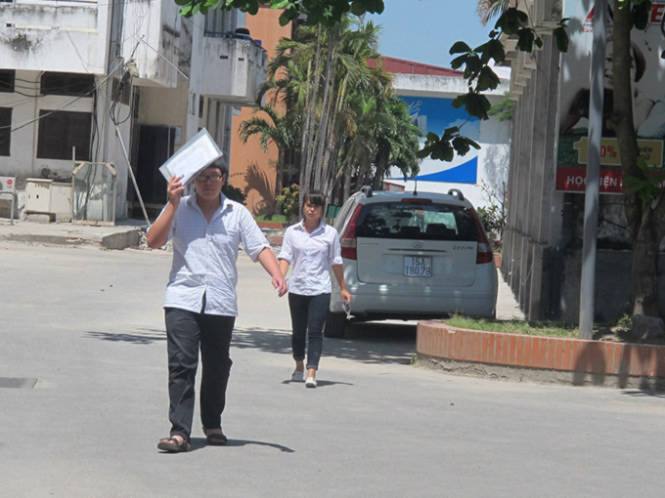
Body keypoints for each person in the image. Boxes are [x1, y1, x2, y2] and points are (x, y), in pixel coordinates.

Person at [147, 158, 287, 453]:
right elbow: (153, 241)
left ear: (223, 178)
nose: (208, 182)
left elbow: (259, 246)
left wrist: (276, 274)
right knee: (182, 365)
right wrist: (171, 203)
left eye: (214, 176)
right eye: (202, 177)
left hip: (220, 302)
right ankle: (180, 432)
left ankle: (212, 423)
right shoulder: (180, 207)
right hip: (182, 298)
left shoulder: (237, 213)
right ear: (192, 180)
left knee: (217, 366)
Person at [278, 190, 351, 388]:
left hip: (320, 289)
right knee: (298, 331)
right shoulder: (293, 232)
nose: (311, 210)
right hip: (297, 288)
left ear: (322, 210)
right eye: (309, 205)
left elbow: (336, 262)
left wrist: (343, 288)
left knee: (316, 331)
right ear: (303, 206)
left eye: (316, 206)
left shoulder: (330, 234)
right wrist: (281, 278)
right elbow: (285, 257)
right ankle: (299, 365)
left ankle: (312, 371)